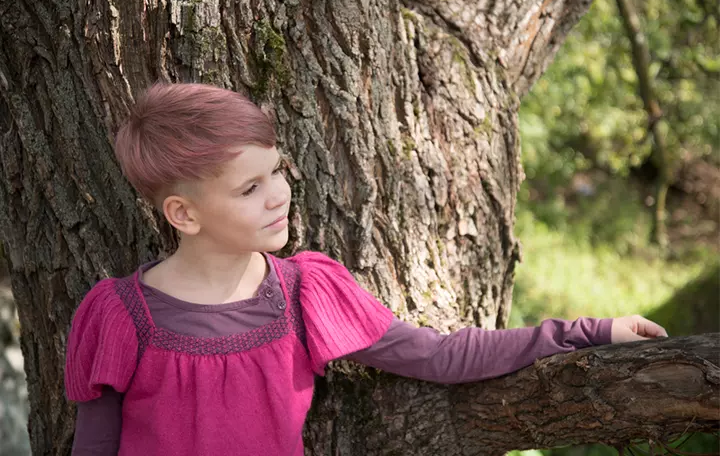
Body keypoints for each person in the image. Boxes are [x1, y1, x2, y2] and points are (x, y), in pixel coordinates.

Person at [65, 83, 668, 456]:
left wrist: (587, 332)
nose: (278, 196)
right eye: (250, 187)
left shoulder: (305, 292)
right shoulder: (119, 315)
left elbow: (439, 356)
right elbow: (94, 447)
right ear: (183, 214)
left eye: (278, 172)